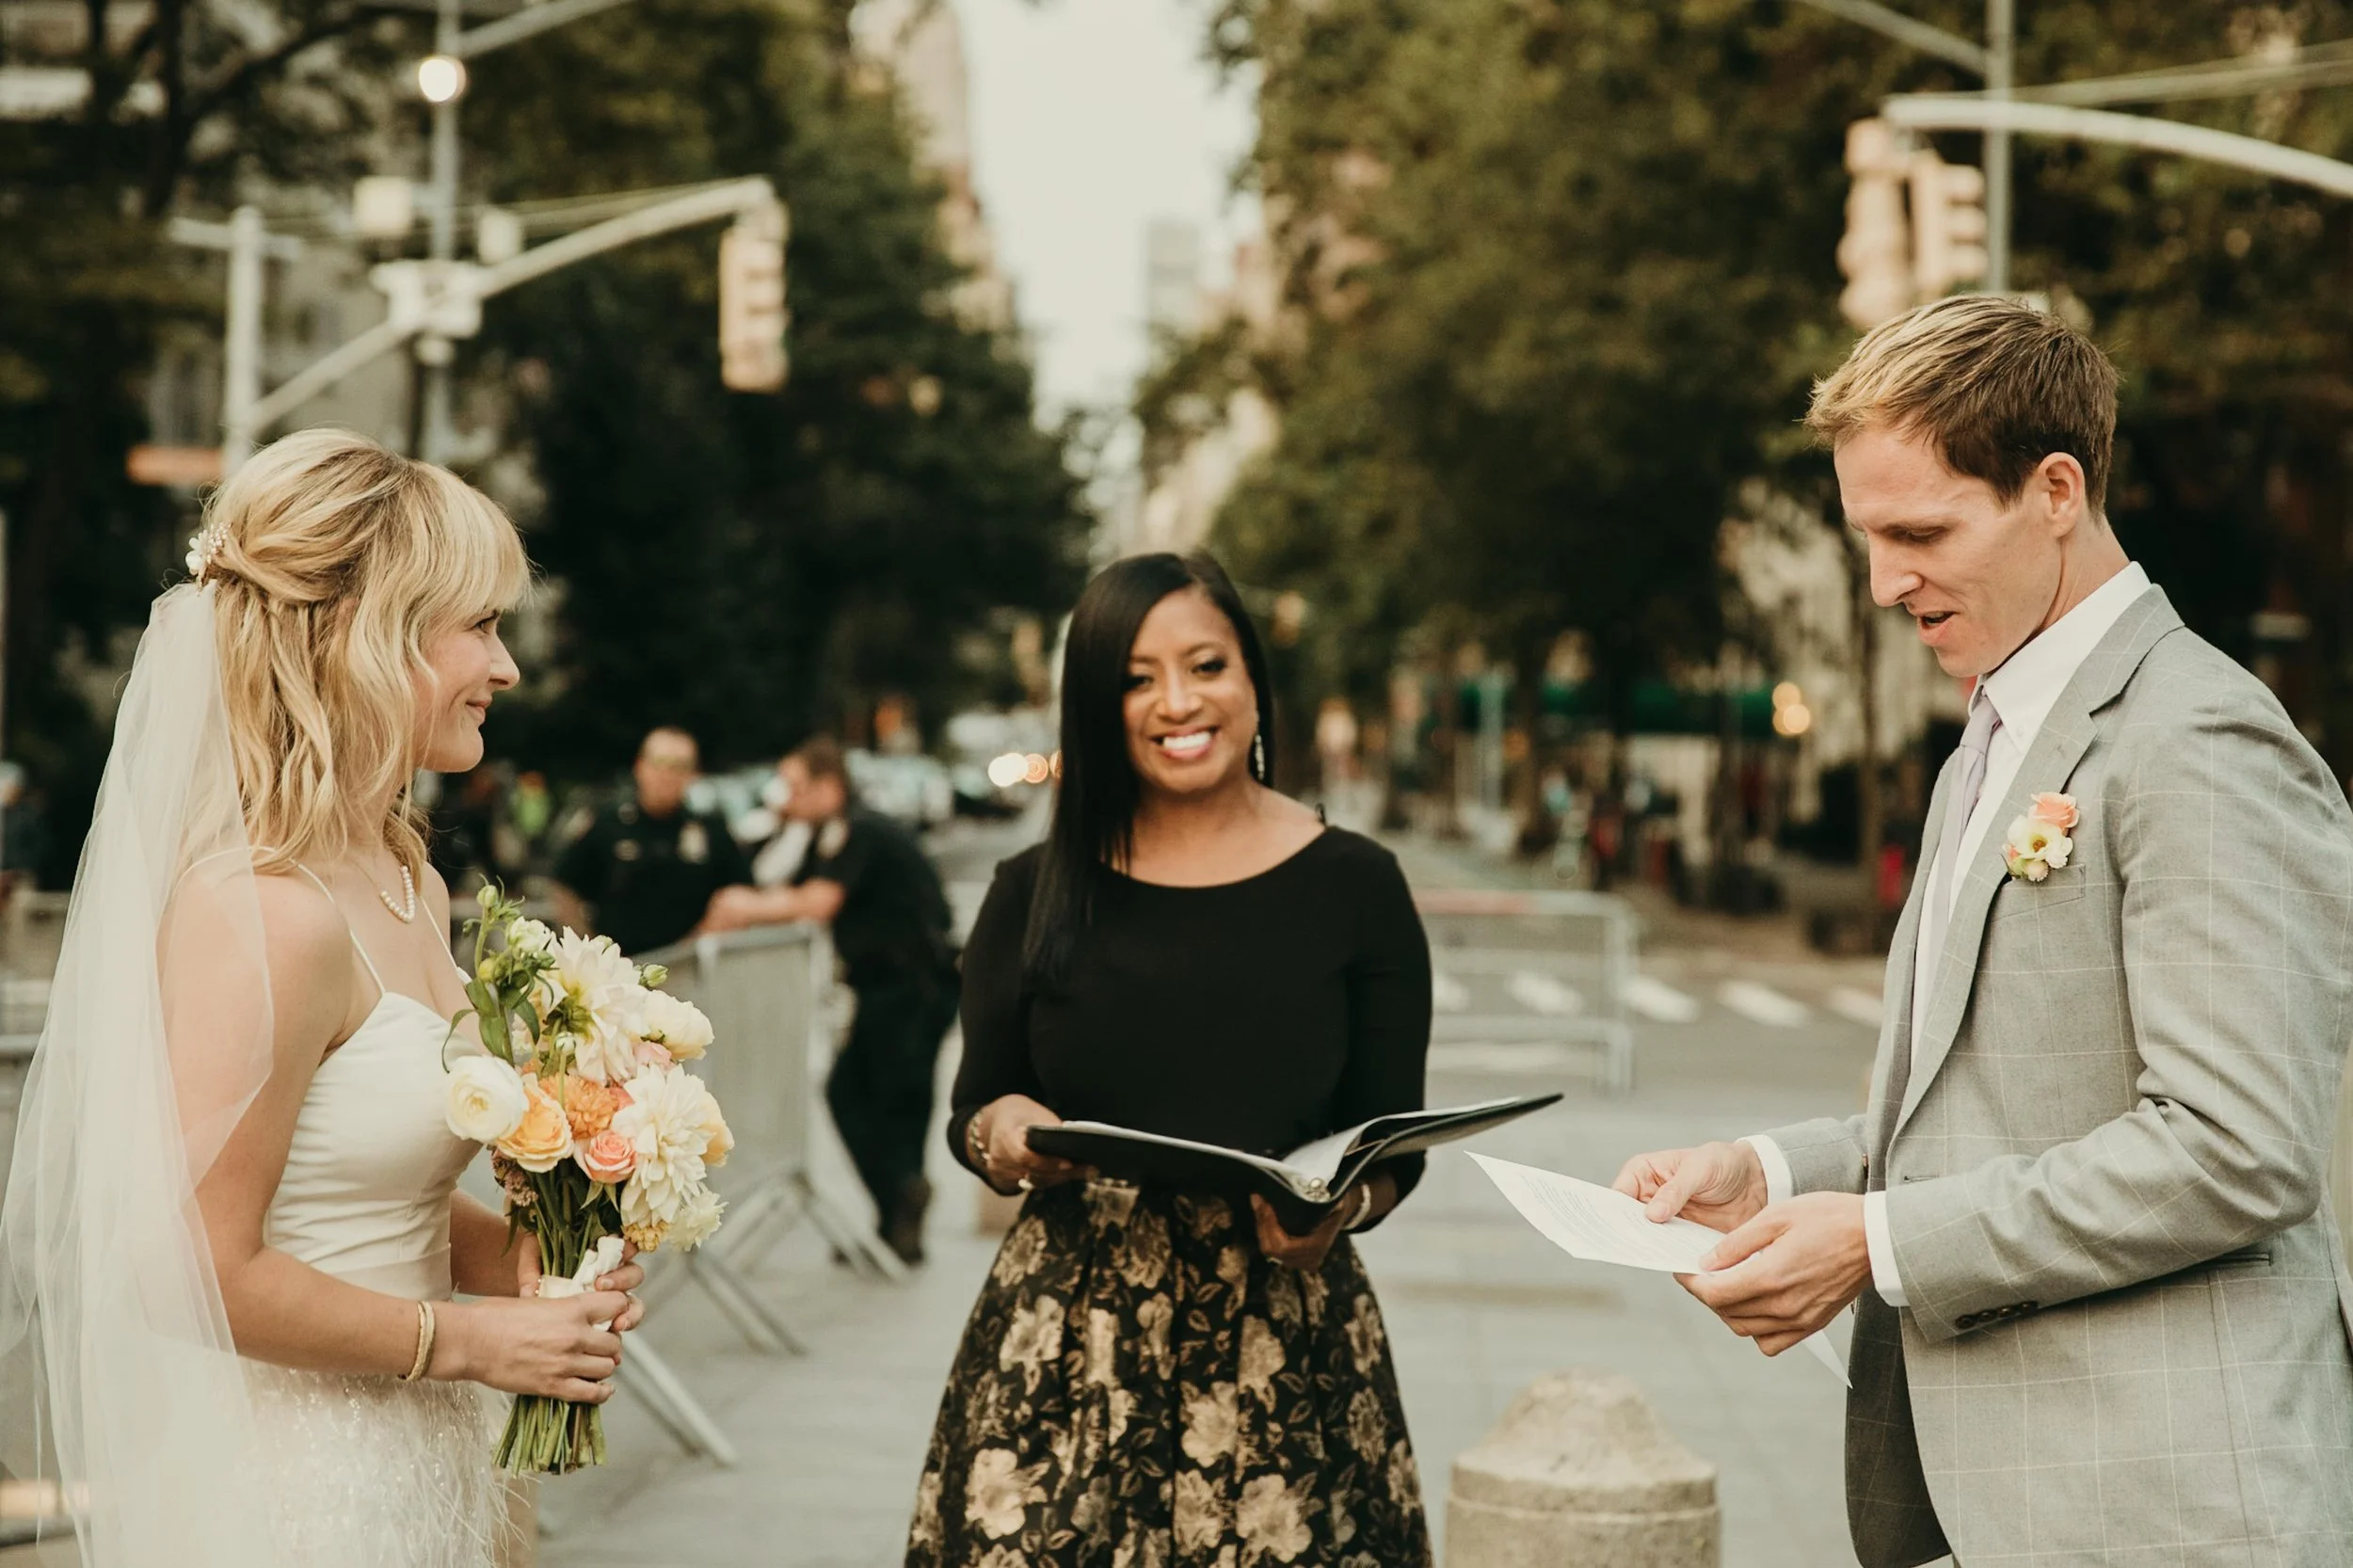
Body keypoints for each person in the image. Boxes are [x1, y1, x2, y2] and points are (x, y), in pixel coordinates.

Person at [1616, 296, 2353, 1567]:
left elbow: (2239, 1148)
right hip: (2021, 1507)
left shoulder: (2199, 738)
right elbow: (1997, 1106)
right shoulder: (1995, 733)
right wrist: (1775, 1171)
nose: (1885, 581)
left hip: (2174, 1512)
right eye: (1866, 535)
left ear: (2055, 489)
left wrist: (1880, 1242)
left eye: (1920, 531)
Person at [0, 429, 647, 1567]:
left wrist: (544, 1262)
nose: (505, 669)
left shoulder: (409, 876)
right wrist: (473, 1342)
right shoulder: (261, 909)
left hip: (436, 1459)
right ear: (363, 632)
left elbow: (364, 1196)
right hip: (307, 1489)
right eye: (481, 626)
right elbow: (188, 1264)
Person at [904, 552, 1435, 1567]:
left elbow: (1392, 1139)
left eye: (1205, 665)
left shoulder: (1358, 886)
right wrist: (1005, 1135)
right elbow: (976, 1105)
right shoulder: (1033, 885)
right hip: (1066, 1342)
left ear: (1252, 682)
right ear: (1094, 707)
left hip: (1288, 1344)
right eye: (1135, 679)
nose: (1177, 702)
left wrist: (1340, 1210)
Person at [701, 737, 958, 1264]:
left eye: (795, 787)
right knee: (858, 1095)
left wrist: (745, 907)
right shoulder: (825, 834)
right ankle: (894, 1215)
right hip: (886, 986)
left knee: (893, 1102)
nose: (786, 796)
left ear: (829, 786)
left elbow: (816, 902)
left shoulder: (859, 829)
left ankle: (900, 1215)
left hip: (915, 984)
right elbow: (775, 882)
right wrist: (774, 825)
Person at [552, 727, 752, 956]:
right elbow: (564, 886)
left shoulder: (710, 831)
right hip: (620, 967)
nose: (668, 775)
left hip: (688, 969)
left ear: (694, 774)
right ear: (640, 767)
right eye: (660, 763)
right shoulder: (609, 825)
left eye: (680, 766)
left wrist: (705, 937)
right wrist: (589, 950)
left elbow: (740, 895)